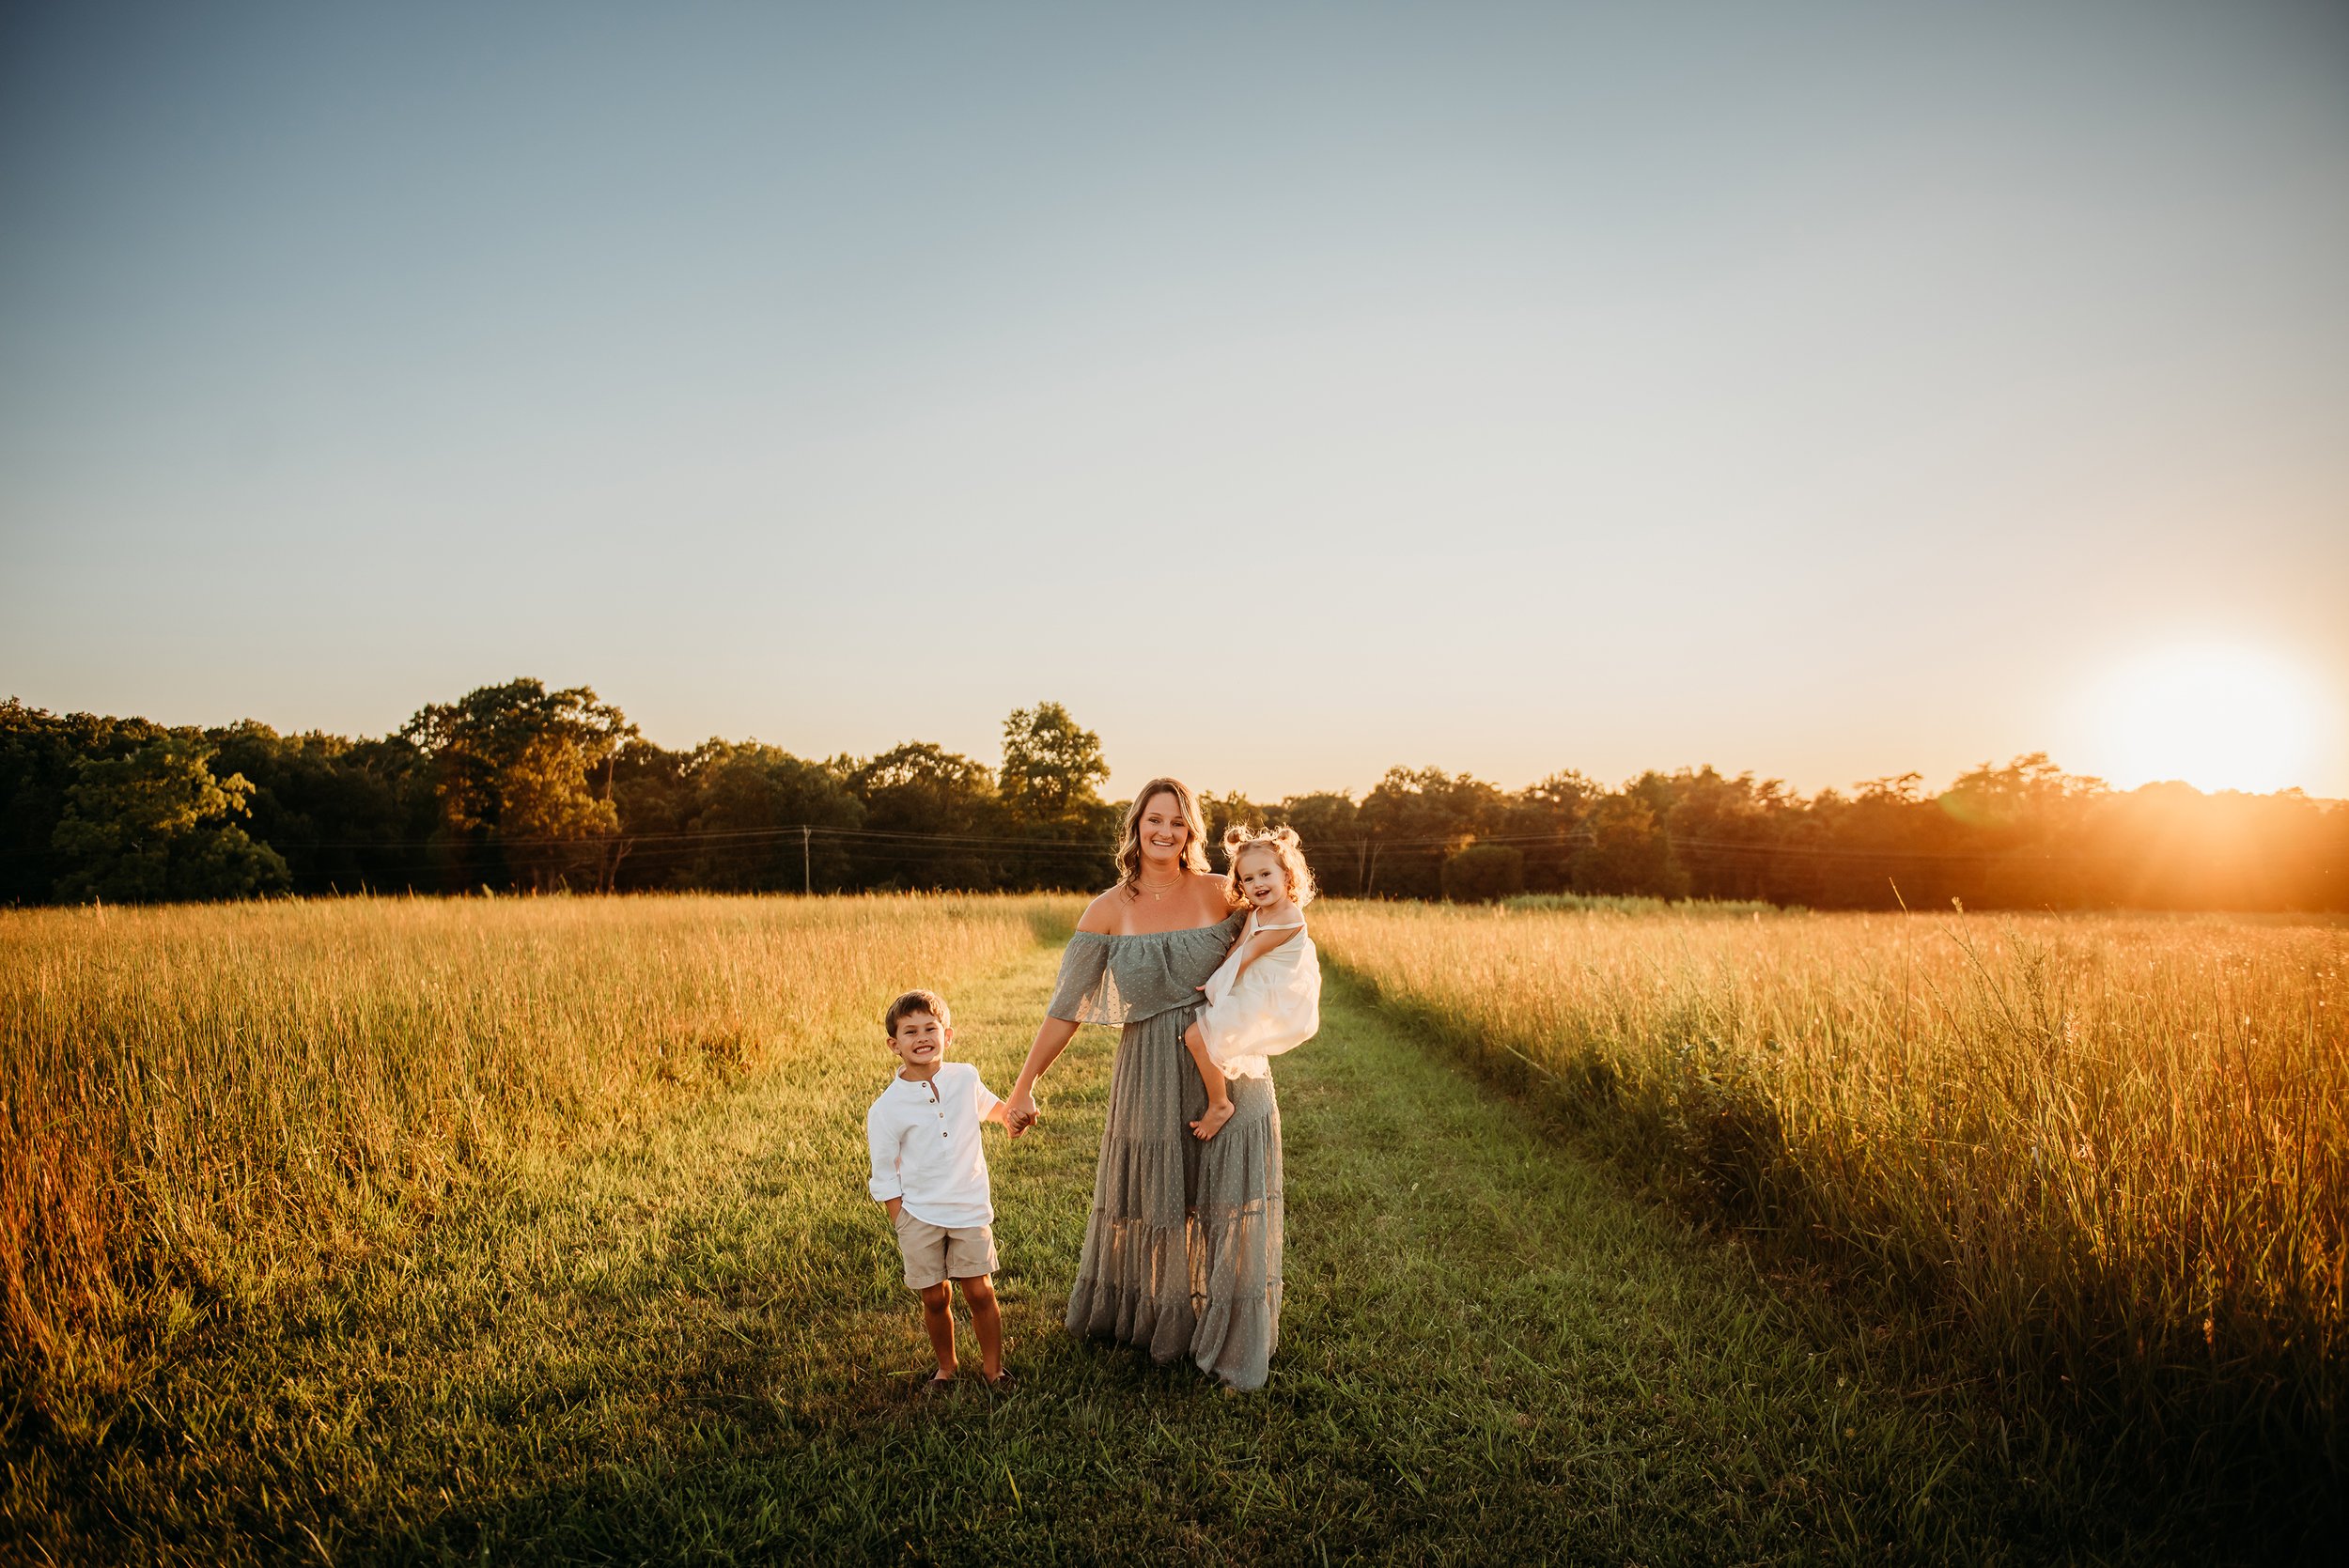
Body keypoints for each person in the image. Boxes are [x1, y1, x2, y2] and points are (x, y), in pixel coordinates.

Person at [1003, 778, 1283, 1390]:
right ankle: (1163, 1320)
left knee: (1229, 1201)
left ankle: (1231, 1337)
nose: (1165, 831)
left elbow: (1281, 925)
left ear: (1191, 831)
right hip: (1150, 1072)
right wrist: (1024, 1086)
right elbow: (1065, 1008)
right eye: (1154, 819)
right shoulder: (1107, 909)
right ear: (1135, 825)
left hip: (1231, 1065)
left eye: (1177, 822)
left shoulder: (1222, 892)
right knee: (1158, 1202)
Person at [865, 987, 1013, 1389]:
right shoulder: (886, 1108)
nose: (922, 1037)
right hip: (919, 1214)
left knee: (980, 1291)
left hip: (967, 1207)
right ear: (894, 1045)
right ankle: (946, 1368)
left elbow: (991, 1107)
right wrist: (903, 1219)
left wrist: (1011, 1117)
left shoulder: (965, 1077)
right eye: (910, 1032)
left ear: (948, 1035)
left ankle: (993, 1370)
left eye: (931, 1028)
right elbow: (884, 1174)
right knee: (935, 1297)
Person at [1183, 826, 1321, 1141]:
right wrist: (1214, 977)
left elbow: (1247, 955)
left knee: (1196, 1036)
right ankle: (1221, 1088)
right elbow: (1237, 947)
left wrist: (1216, 986)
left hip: (1271, 994)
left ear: (1287, 875)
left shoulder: (1289, 917)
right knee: (1209, 1035)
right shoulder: (1259, 912)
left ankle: (1220, 1104)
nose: (1258, 884)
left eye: (1265, 874)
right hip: (1250, 981)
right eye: (1249, 879)